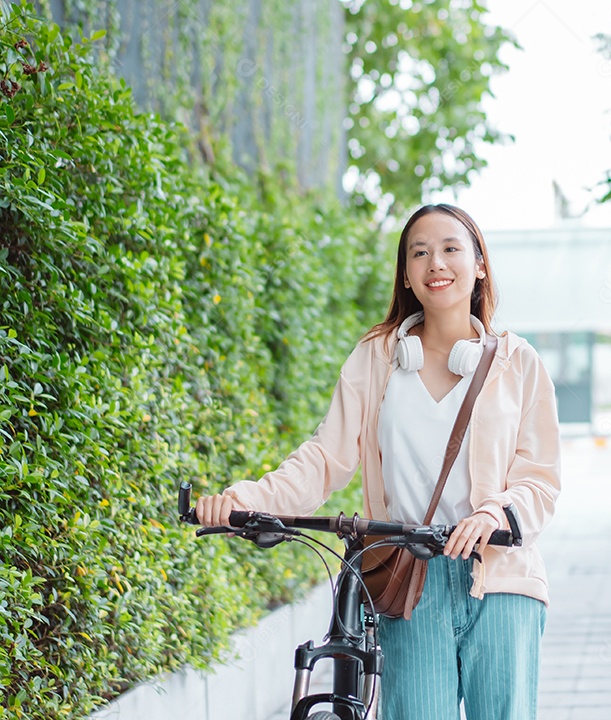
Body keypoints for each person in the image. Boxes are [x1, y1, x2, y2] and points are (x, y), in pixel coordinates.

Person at [196, 204, 561, 719]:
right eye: (420, 252)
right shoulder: (378, 357)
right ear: (407, 275)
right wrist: (246, 499)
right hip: (408, 581)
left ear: (479, 264)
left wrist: (493, 513)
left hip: (501, 579)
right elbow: (325, 457)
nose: (436, 262)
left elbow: (539, 478)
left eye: (451, 249)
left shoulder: (518, 362)